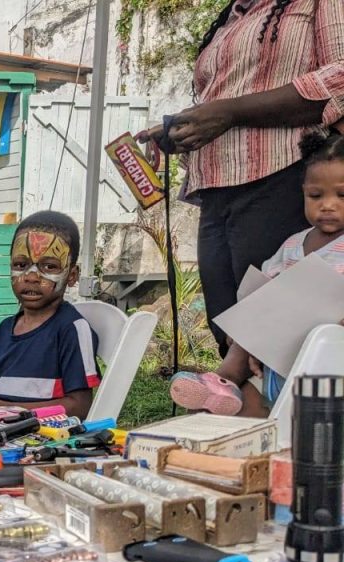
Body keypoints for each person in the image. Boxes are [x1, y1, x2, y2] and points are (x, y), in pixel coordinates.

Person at [146, 0, 344, 355]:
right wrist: (186, 128)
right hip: (216, 188)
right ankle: (232, 391)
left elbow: (340, 76)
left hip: (282, 178)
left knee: (277, 338)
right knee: (228, 329)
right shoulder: (235, 13)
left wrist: (229, 113)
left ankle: (283, 395)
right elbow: (223, 96)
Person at [170, 130, 344, 417]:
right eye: (315, 195)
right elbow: (260, 288)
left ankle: (225, 382)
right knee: (239, 421)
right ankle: (223, 384)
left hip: (329, 364)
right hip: (275, 360)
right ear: (303, 192)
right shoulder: (293, 245)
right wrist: (247, 327)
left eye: (341, 195)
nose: (327, 205)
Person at [0, 212, 100, 420]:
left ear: (72, 276)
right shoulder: (3, 330)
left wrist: (10, 411)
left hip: (45, 434)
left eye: (49, 266)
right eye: (21, 265)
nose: (32, 276)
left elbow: (80, 406)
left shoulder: (72, 330)